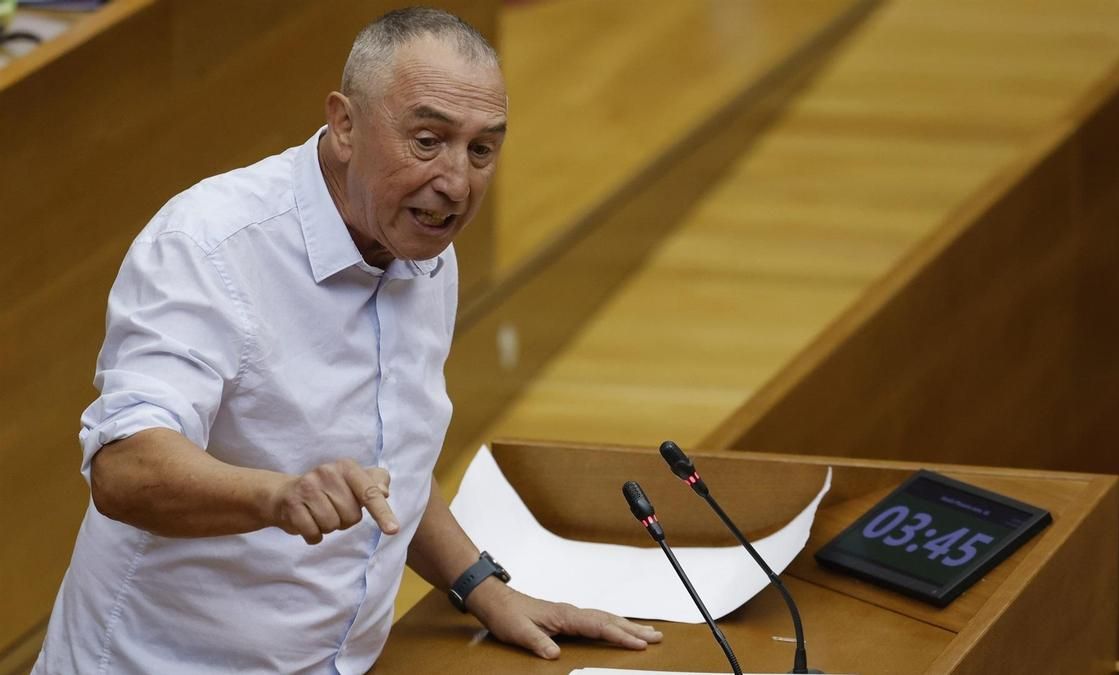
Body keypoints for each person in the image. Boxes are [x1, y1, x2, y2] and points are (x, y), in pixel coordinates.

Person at [33, 8, 661, 674]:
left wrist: (483, 587)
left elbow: (391, 462)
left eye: (482, 149)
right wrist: (276, 497)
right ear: (344, 125)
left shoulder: (422, 246)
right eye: (428, 140)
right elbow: (125, 467)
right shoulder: (210, 247)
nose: (456, 183)